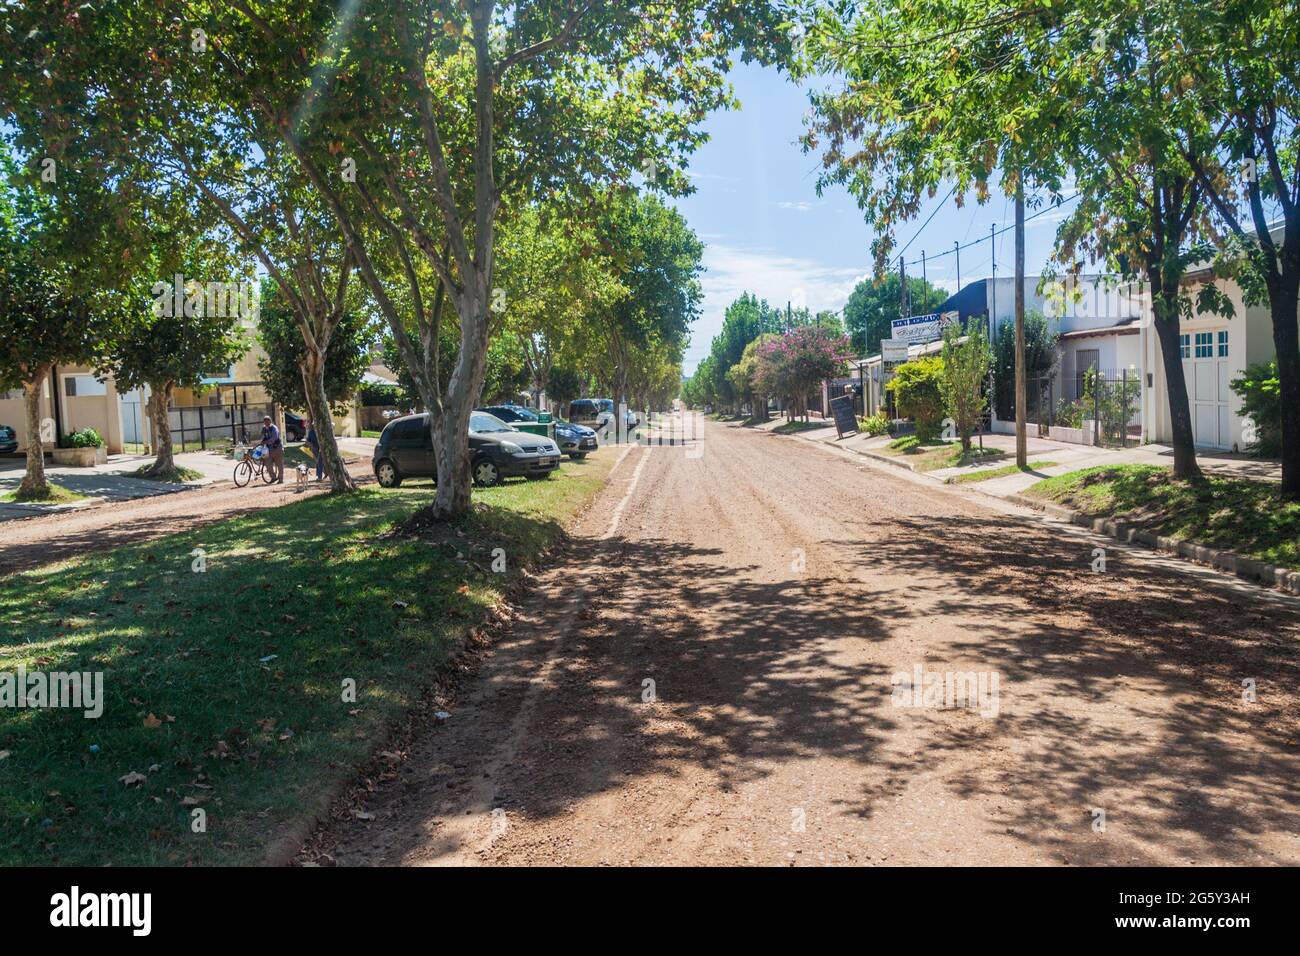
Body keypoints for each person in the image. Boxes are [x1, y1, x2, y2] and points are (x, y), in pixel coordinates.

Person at [260, 414, 284, 484]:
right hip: (269, 449)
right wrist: (262, 442)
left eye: (267, 421)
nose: (266, 422)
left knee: (279, 464)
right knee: (267, 463)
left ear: (270, 421)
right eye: (265, 421)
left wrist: (266, 442)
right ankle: (273, 477)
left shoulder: (274, 428)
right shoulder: (264, 428)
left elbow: (274, 438)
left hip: (277, 448)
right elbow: (263, 436)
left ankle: (281, 479)